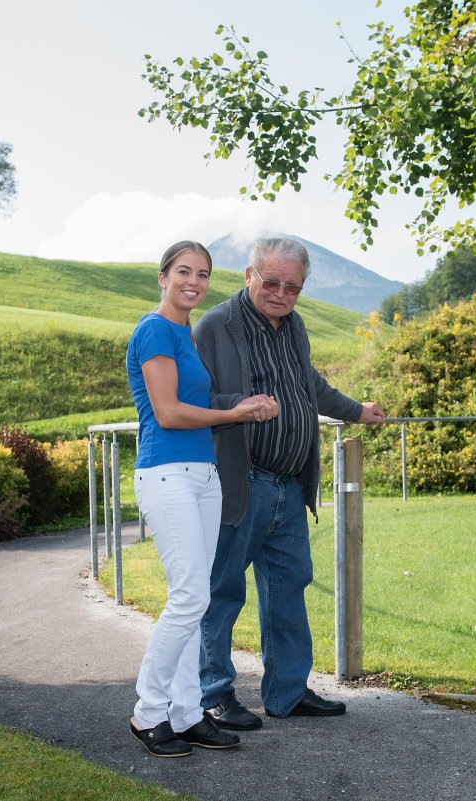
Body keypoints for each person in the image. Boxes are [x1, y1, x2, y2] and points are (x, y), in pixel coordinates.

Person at [194, 236, 385, 731]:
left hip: (288, 485)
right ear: (249, 275)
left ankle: (287, 692)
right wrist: (242, 403)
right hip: (241, 484)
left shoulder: (293, 327)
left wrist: (356, 411)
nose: (280, 293)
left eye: (292, 287)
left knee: (288, 588)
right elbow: (192, 398)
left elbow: (310, 387)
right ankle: (213, 695)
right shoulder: (217, 326)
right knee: (222, 591)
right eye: (271, 281)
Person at [125, 240, 279, 757]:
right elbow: (168, 413)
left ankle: (188, 713)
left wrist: (243, 404)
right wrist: (235, 415)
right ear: (163, 277)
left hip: (202, 475)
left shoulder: (185, 333)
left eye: (204, 273)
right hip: (166, 473)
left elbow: (198, 402)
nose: (194, 281)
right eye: (184, 271)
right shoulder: (153, 331)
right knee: (190, 595)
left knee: (194, 598)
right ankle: (149, 712)